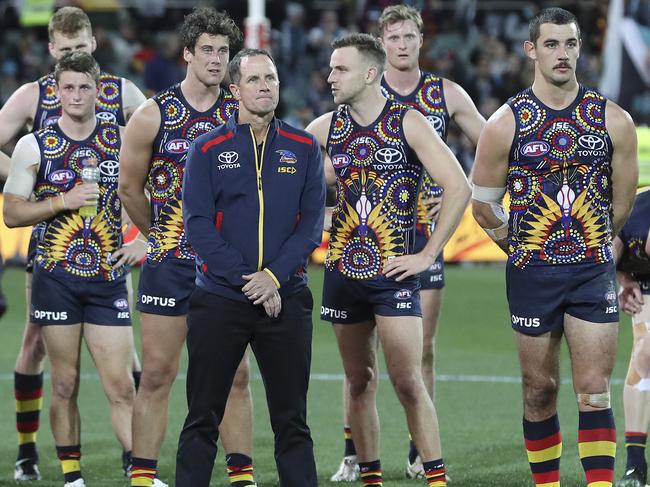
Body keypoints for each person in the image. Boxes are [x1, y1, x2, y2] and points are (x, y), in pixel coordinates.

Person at [471, 8, 638, 487]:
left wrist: (592, 244)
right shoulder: (506, 122)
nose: (561, 55)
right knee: (538, 391)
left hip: (590, 272)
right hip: (531, 274)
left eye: (569, 44)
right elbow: (484, 205)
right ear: (531, 50)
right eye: (551, 45)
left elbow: (621, 201)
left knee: (594, 391)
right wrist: (523, 248)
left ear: (580, 48)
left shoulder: (613, 120)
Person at [328, 6, 486, 481]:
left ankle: (421, 454)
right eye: (392, 36)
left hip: (417, 240)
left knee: (419, 354)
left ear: (421, 41)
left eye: (409, 36)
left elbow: (493, 145)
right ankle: (353, 452)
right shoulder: (345, 108)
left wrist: (469, 190)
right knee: (360, 368)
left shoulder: (442, 95)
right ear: (381, 44)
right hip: (359, 247)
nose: (401, 43)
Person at [0, 7, 147, 480]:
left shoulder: (122, 94)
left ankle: (135, 458)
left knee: (124, 360)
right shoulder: (32, 97)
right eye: (66, 53)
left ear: (94, 45)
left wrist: (141, 229)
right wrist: (30, 180)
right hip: (52, 246)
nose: (75, 57)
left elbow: (157, 152)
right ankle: (28, 452)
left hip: (106, 243)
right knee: (36, 347)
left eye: (81, 49)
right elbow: (14, 199)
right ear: (51, 53)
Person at [118, 8, 255, 487]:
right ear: (187, 55)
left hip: (226, 271)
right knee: (156, 375)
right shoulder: (154, 114)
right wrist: (160, 235)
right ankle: (142, 476)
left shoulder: (240, 116)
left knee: (234, 377)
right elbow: (130, 189)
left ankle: (242, 476)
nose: (217, 60)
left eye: (224, 51)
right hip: (169, 267)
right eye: (209, 51)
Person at [175, 47, 324, 487]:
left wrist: (274, 277)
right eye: (255, 80)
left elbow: (311, 227)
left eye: (271, 79)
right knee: (202, 417)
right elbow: (198, 226)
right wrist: (252, 281)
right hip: (220, 299)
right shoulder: (207, 148)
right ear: (234, 88)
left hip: (286, 298)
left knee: (292, 422)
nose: (265, 87)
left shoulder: (304, 147)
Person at [613, 189, 650, 487]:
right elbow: (604, 263)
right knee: (644, 355)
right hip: (646, 284)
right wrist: (622, 283)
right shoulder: (632, 211)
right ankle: (635, 467)